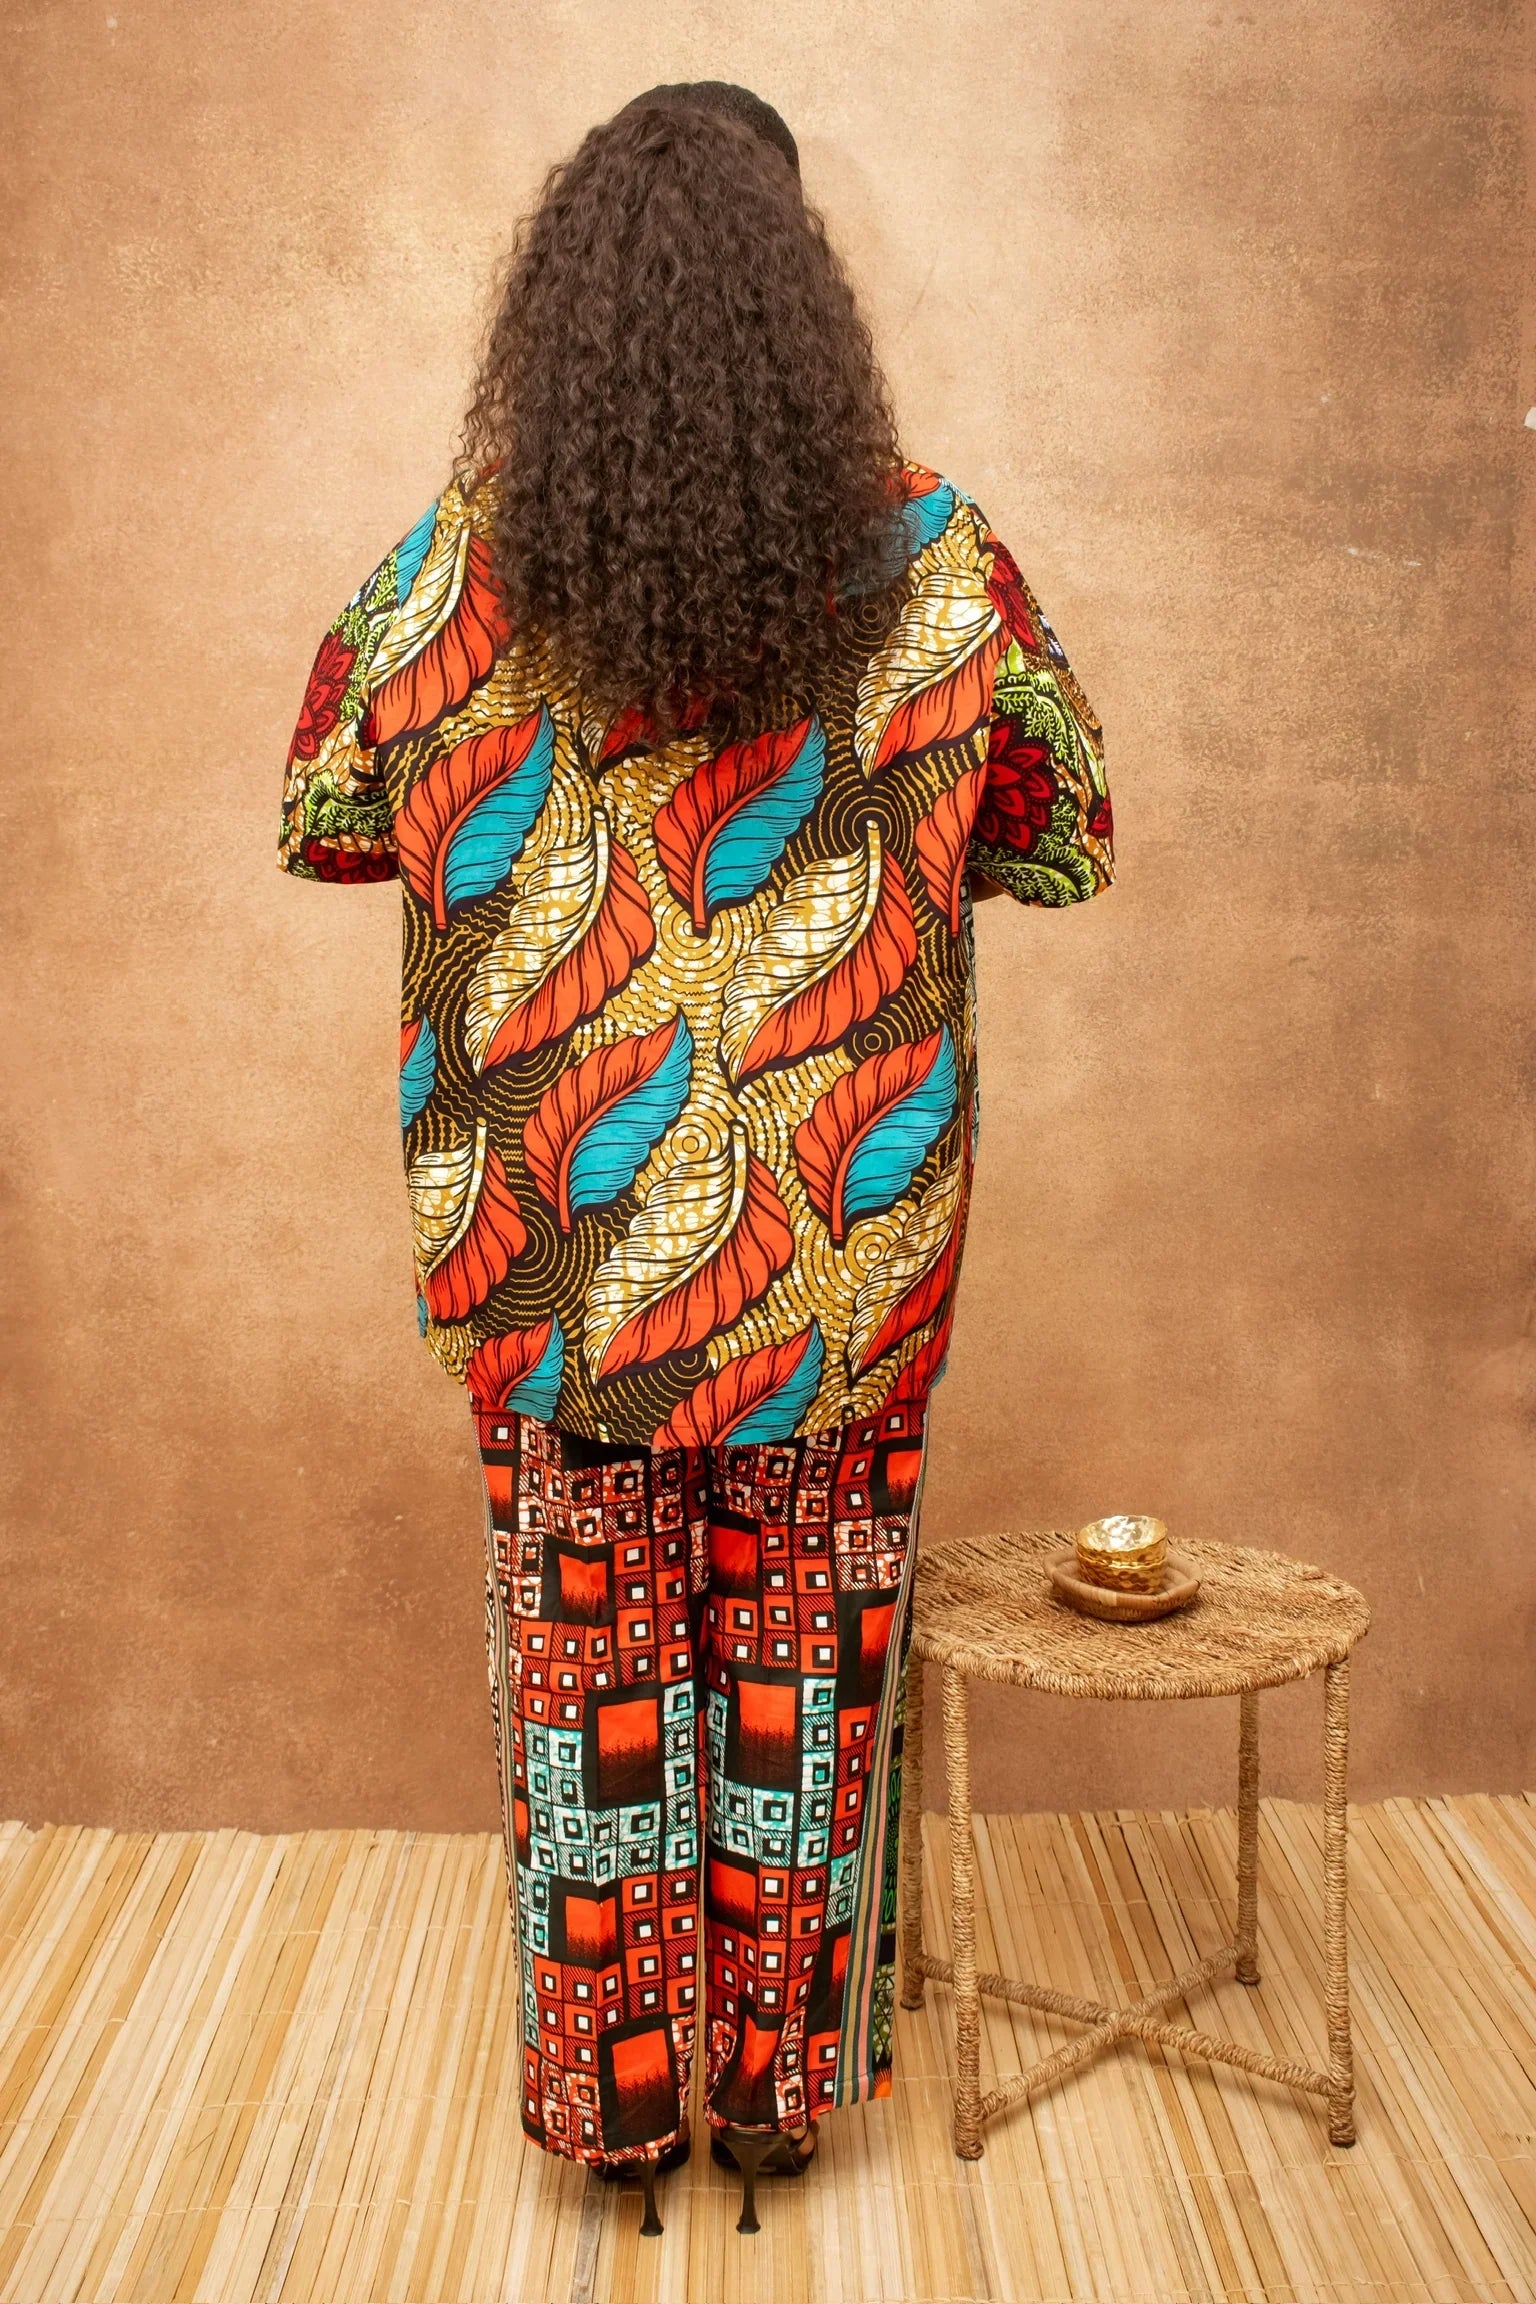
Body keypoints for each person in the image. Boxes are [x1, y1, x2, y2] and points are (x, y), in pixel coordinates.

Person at [277, 79, 1114, 2237]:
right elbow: (1066, 831)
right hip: (839, 1255)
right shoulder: (932, 559)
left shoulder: (448, 570)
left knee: (593, 1694)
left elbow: (323, 818)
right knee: (805, 1687)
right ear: (805, 301)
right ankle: (775, 2106)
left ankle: (613, 2111)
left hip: (549, 1264)